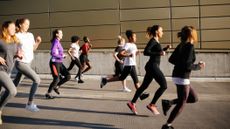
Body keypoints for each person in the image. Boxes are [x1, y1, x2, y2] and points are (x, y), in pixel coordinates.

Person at [161, 26, 205, 129]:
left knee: (194, 98)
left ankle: (169, 102)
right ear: (192, 35)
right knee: (182, 103)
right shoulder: (189, 47)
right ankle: (167, 125)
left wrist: (181, 63)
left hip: (178, 75)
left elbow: (171, 59)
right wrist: (199, 66)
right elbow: (187, 65)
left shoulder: (181, 45)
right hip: (182, 77)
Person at [127, 25, 171, 115]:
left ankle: (132, 103)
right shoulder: (153, 41)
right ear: (156, 32)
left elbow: (155, 52)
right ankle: (152, 104)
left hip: (152, 66)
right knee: (164, 85)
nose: (163, 32)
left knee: (143, 86)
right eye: (161, 31)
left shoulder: (156, 41)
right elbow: (146, 52)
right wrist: (159, 52)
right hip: (153, 66)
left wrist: (165, 49)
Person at [100, 30, 149, 99]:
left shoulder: (134, 45)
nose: (136, 38)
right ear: (130, 37)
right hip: (129, 65)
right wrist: (129, 55)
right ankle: (140, 95)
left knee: (122, 78)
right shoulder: (127, 45)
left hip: (131, 64)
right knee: (135, 80)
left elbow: (134, 54)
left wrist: (137, 53)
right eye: (134, 36)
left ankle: (106, 80)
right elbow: (121, 53)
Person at [13, 18, 41, 112]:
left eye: (29, 24)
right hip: (20, 63)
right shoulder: (16, 36)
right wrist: (15, 54)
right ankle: (29, 104)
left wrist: (37, 42)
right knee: (37, 80)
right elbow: (10, 49)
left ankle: (2, 99)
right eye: (26, 24)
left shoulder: (30, 35)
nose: (28, 26)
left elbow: (33, 49)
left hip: (28, 62)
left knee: (14, 85)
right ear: (20, 25)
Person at [0, 21, 20, 124]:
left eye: (14, 27)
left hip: (8, 70)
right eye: (11, 27)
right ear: (5, 28)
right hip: (0, 70)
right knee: (13, 91)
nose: (14, 29)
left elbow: (11, 55)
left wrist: (18, 55)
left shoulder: (14, 41)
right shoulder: (0, 40)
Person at [45, 29, 71, 99]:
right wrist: (62, 56)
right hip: (54, 63)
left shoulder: (58, 42)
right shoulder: (55, 42)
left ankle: (56, 86)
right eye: (61, 33)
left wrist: (62, 55)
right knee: (56, 79)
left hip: (59, 62)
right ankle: (48, 93)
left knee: (68, 76)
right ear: (57, 34)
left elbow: (57, 52)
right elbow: (53, 53)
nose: (62, 34)